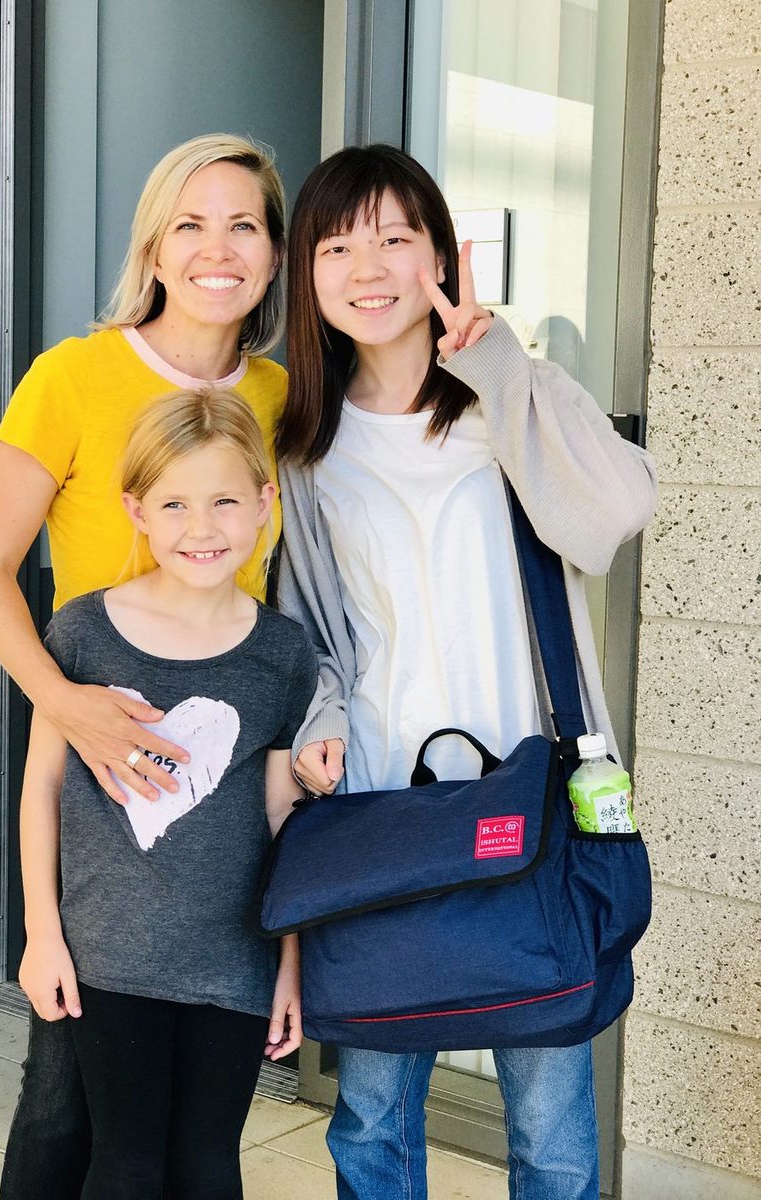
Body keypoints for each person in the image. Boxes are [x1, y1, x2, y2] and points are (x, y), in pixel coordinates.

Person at [275, 144, 657, 1200]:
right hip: (379, 809)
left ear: (441, 258)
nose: (368, 268)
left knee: (551, 1126)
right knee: (370, 1121)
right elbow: (305, 632)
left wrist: (503, 368)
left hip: (530, 794)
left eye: (396, 239)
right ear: (308, 274)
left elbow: (619, 509)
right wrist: (319, 721)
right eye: (337, 246)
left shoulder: (510, 402)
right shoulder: (304, 447)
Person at [0, 133, 289, 1199]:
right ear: (152, 247)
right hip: (95, 776)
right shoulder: (72, 376)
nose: (217, 249)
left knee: (188, 1138)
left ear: (275, 253)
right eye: (190, 223)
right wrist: (67, 705)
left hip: (221, 801)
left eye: (244, 225)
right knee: (66, 1100)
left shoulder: (283, 396)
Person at [18, 387, 317, 1199]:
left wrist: (290, 962)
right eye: (176, 503)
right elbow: (43, 785)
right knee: (126, 1167)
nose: (201, 527)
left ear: (264, 503)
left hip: (236, 959)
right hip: (108, 956)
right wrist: (42, 935)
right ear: (136, 511)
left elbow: (283, 815)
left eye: (225, 501)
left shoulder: (283, 654)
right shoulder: (82, 633)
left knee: (208, 1169)